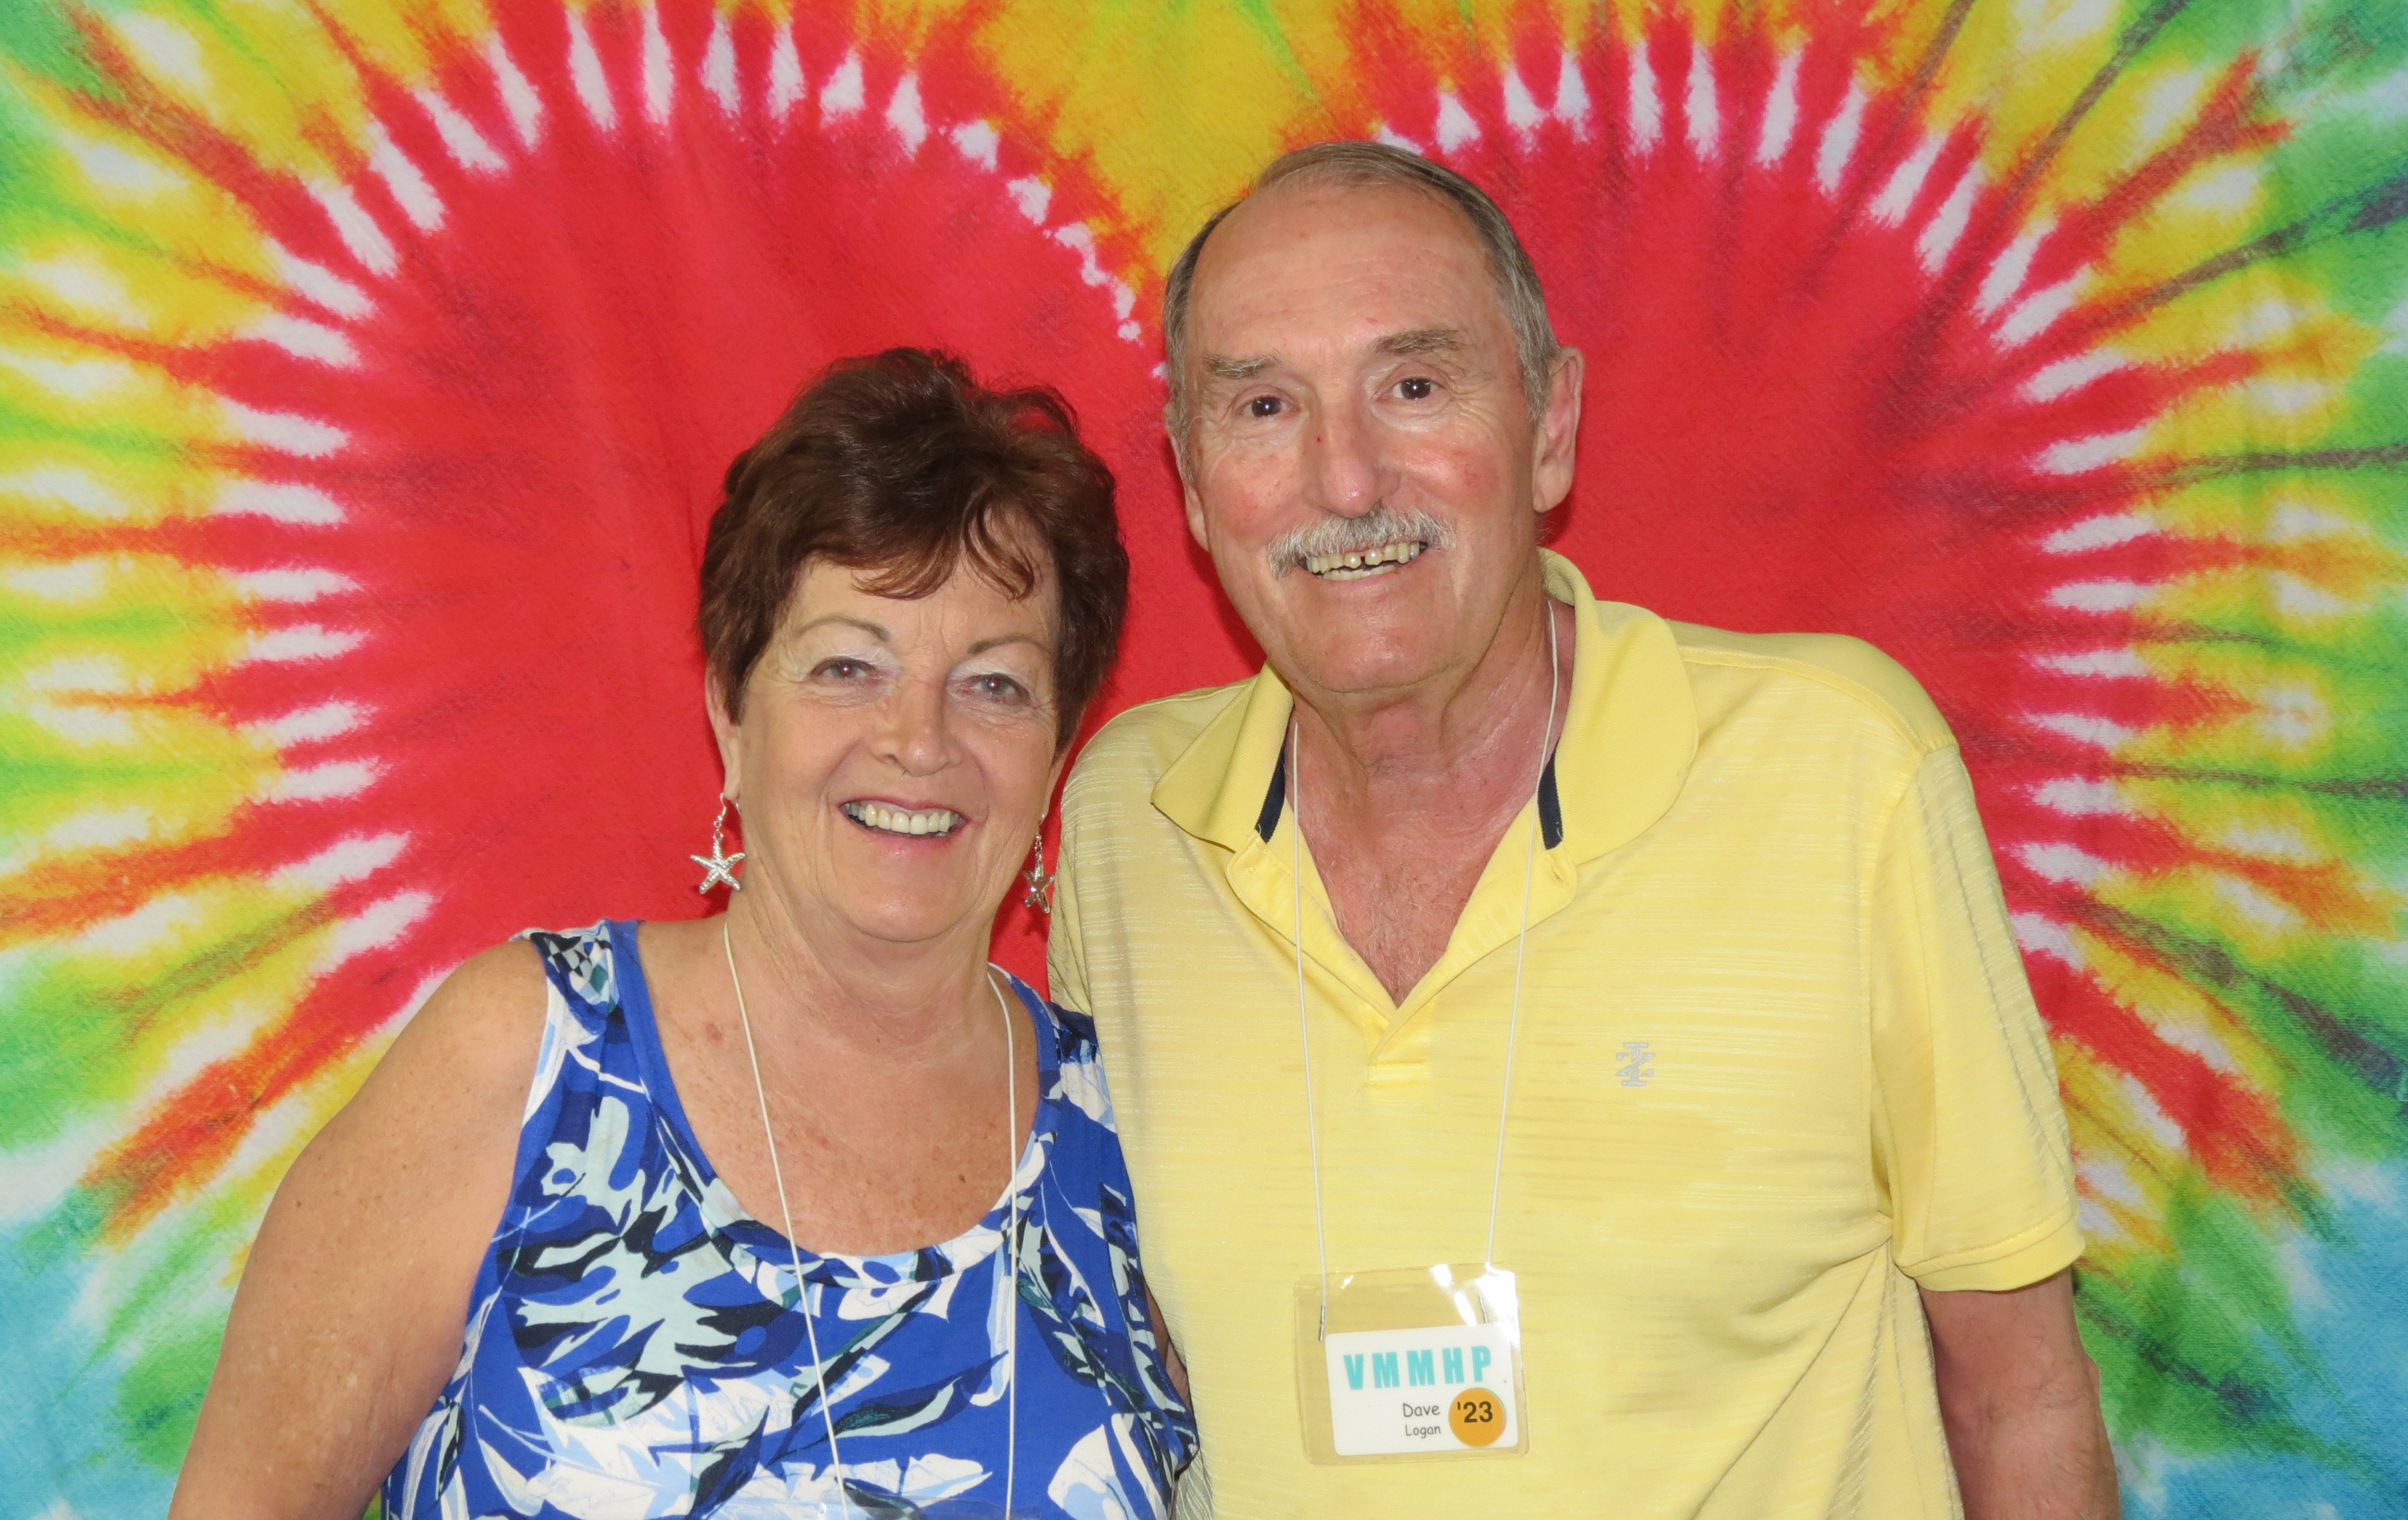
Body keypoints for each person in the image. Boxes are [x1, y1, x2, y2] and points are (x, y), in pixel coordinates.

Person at [1048, 143, 2118, 1518]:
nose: (1348, 479)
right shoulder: (1125, 825)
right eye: (1264, 406)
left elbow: (2021, 1395)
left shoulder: (1841, 766)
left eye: (1414, 386)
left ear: (1550, 426)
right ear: (1195, 485)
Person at [172, 349, 1196, 1519]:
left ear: (1058, 749)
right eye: (848, 665)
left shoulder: (1126, 1135)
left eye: (994, 684)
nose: (919, 740)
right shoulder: (532, 1057)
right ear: (731, 713)